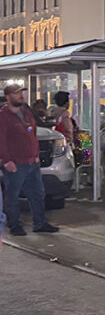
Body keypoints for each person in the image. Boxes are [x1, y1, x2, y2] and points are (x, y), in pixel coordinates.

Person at [0, 84, 59, 236]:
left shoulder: (26, 113)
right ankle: (14, 225)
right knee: (13, 194)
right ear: (8, 97)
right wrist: (6, 160)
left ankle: (40, 223)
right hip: (16, 163)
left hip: (32, 162)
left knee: (37, 193)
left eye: (21, 93)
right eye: (16, 93)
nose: (21, 95)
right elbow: (1, 140)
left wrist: (36, 154)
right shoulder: (3, 116)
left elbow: (32, 134)